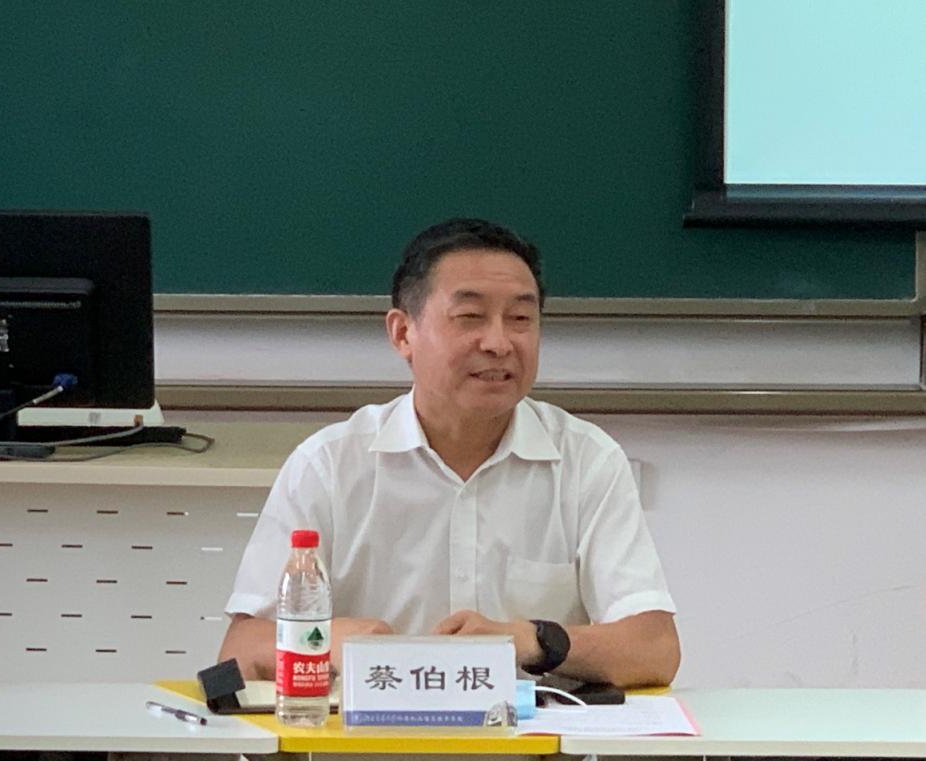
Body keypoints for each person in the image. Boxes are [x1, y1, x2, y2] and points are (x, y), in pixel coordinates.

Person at [219, 218, 679, 687]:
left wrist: (532, 639)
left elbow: (655, 648)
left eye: (520, 319)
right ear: (403, 334)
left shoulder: (587, 460)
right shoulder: (329, 465)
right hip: (366, 730)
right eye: (470, 317)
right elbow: (240, 649)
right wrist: (326, 641)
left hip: (530, 731)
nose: (499, 343)